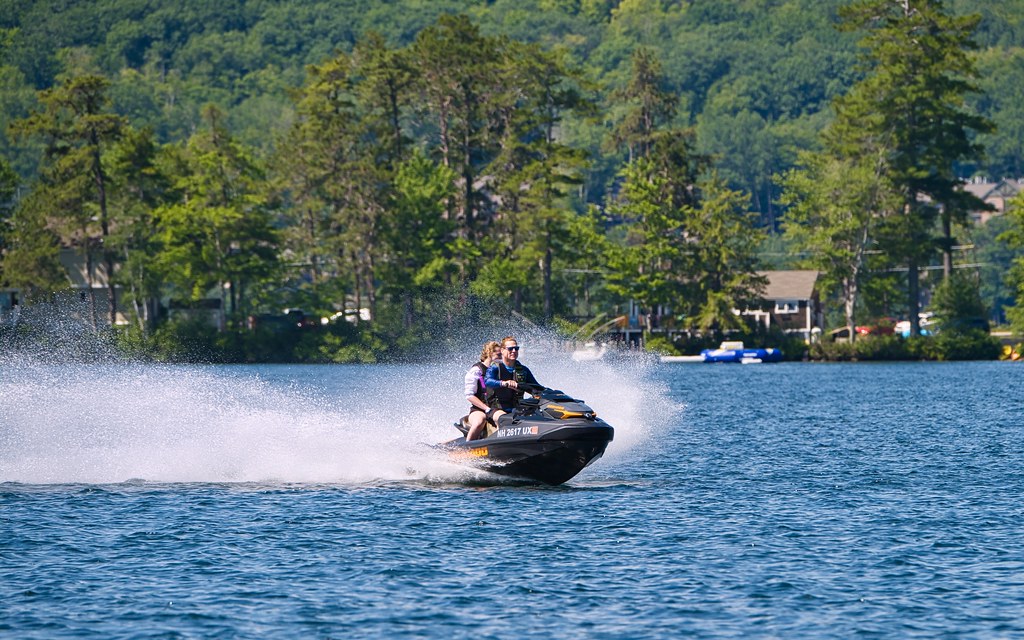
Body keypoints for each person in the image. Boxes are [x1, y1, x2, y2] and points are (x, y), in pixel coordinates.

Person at [484, 335, 544, 429]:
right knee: (504, 419)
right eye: (510, 349)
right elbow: (487, 381)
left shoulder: (523, 370)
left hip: (517, 409)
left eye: (516, 348)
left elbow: (535, 387)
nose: (514, 351)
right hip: (496, 409)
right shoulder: (495, 367)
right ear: (502, 350)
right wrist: (504, 383)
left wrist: (549, 394)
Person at [463, 340, 502, 441]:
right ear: (489, 353)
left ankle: (500, 443)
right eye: (498, 354)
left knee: (504, 419)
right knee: (480, 421)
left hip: (496, 408)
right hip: (479, 410)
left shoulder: (499, 369)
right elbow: (469, 395)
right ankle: (468, 447)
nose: (501, 357)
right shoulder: (476, 370)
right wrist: (486, 409)